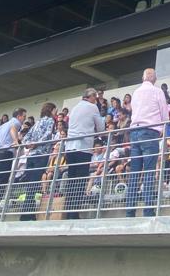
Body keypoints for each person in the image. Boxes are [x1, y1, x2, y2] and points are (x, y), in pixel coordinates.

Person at [127, 68, 170, 217]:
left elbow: (133, 110)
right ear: (154, 79)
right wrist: (163, 127)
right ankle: (148, 211)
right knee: (149, 172)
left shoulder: (136, 92)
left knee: (134, 173)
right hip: (150, 132)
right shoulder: (158, 92)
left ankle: (130, 212)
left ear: (142, 78)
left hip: (134, 131)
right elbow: (164, 115)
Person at [63, 88, 105, 220]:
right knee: (80, 181)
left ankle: (69, 212)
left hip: (70, 147)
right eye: (95, 97)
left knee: (71, 180)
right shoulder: (92, 107)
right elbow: (101, 128)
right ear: (91, 97)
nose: (96, 100)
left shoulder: (75, 107)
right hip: (83, 147)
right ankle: (74, 213)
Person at [16, 103, 58, 221]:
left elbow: (25, 138)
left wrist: (29, 144)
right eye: (55, 110)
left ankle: (28, 214)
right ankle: (27, 215)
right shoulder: (50, 121)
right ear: (51, 110)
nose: (56, 112)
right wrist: (36, 143)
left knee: (31, 184)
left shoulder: (37, 122)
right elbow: (48, 134)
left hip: (31, 156)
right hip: (41, 154)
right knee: (34, 184)